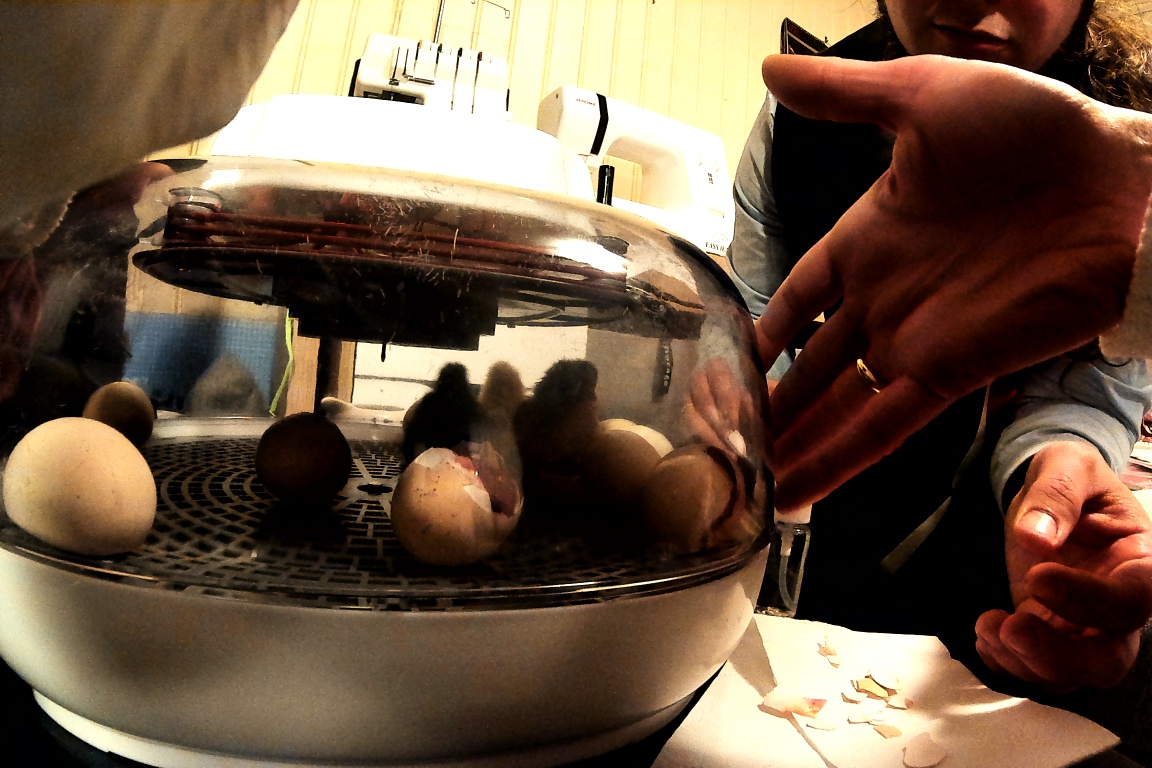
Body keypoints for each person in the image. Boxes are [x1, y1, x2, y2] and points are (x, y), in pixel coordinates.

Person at [727, 0, 1152, 747]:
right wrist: (746, 389)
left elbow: (1096, 384)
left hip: (989, 572)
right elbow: (760, 308)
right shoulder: (799, 122)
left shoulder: (1133, 136)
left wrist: (1062, 459)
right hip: (800, 533)